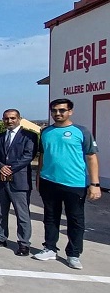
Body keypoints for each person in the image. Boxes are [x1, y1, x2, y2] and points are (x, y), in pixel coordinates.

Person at [34, 99, 101, 269]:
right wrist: (38, 177)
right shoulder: (46, 132)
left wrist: (95, 184)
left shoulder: (81, 132)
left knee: (75, 220)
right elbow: (42, 156)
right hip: (49, 182)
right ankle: (49, 247)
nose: (58, 114)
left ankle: (73, 254)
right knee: (50, 217)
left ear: (70, 111)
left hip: (74, 183)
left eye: (62, 110)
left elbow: (91, 157)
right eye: (54, 111)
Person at [0, 109, 38, 255]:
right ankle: (1, 237)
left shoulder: (29, 136)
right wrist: (1, 167)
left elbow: (28, 155)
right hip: (1, 180)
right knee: (1, 212)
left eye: (12, 118)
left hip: (19, 181)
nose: (9, 121)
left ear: (19, 119)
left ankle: (23, 243)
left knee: (22, 214)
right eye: (6, 118)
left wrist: (10, 169)